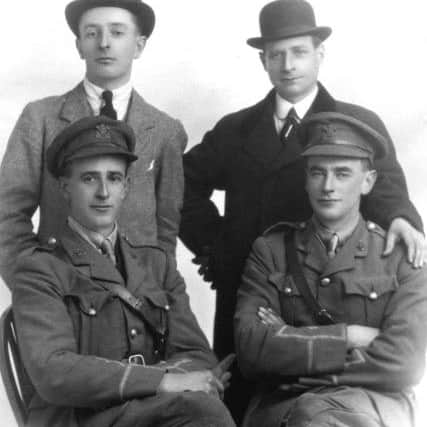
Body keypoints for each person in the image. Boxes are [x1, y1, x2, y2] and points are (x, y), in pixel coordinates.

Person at [179, 0, 424, 420]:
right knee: (241, 413)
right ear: (263, 60)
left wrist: (402, 218)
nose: (288, 64)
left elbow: (385, 185)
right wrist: (216, 247)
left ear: (319, 54)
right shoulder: (235, 130)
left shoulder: (354, 123)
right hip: (256, 291)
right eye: (276, 55)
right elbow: (181, 184)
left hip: (337, 291)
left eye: (299, 52)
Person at [12, 116, 235, 427]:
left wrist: (170, 382)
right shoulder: (40, 269)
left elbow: (197, 355)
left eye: (114, 178)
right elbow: (54, 372)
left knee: (206, 408)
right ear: (65, 188)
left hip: (151, 413)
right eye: (89, 179)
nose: (103, 192)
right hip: (79, 419)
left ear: (126, 187)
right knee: (205, 413)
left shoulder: (156, 264)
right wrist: (162, 380)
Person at [234, 111, 427, 427]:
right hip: (281, 408)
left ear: (368, 182)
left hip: (373, 406)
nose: (327, 186)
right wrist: (350, 336)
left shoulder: (402, 256)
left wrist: (295, 352)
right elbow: (252, 351)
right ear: (305, 179)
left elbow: (406, 363)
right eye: (317, 173)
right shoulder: (270, 251)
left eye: (342, 174)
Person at [0, 0, 187, 287]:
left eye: (117, 32)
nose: (104, 44)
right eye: (92, 33)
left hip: (136, 302)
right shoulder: (40, 119)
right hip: (62, 292)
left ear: (139, 45)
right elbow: (6, 213)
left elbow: (166, 231)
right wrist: (34, 284)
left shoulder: (166, 131)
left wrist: (156, 298)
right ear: (79, 45)